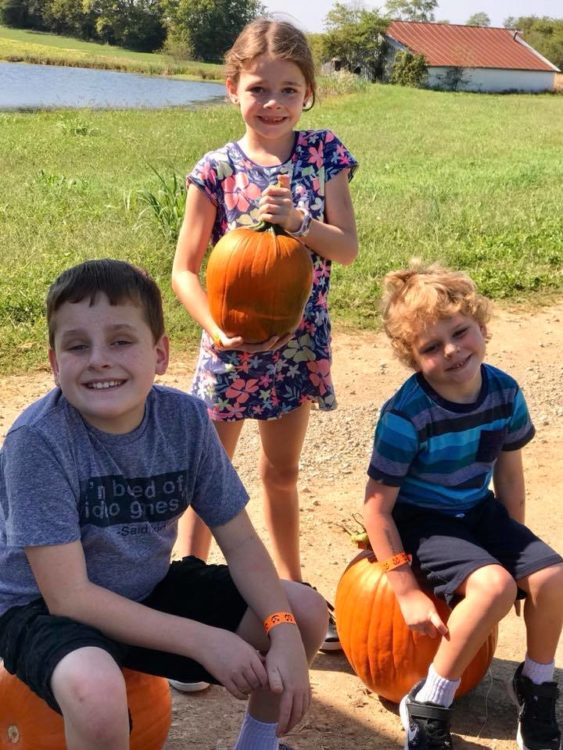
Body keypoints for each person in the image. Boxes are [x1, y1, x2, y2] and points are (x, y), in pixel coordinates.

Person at [0, 258, 329, 750]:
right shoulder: (38, 442)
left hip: (145, 588)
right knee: (95, 688)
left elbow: (239, 540)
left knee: (302, 610)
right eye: (76, 346)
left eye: (120, 341)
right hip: (44, 610)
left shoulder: (187, 420)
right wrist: (203, 639)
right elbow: (70, 596)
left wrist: (281, 631)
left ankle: (257, 744)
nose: (98, 359)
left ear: (160, 354)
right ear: (53, 364)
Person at [171, 17, 358, 659]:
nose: (272, 103)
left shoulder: (323, 153)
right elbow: (184, 269)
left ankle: (292, 593)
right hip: (227, 351)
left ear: (307, 92)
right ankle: (189, 601)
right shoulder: (216, 169)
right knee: (208, 476)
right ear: (233, 90)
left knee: (280, 474)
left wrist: (300, 221)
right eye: (258, 88)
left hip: (297, 347)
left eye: (287, 88)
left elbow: (348, 249)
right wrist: (214, 328)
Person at [363, 262, 563, 750]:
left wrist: (519, 550)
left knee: (553, 576)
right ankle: (430, 699)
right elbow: (376, 508)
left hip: (478, 510)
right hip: (422, 521)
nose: (452, 351)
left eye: (460, 332)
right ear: (413, 359)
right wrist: (405, 589)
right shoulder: (407, 414)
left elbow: (509, 477)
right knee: (492, 587)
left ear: (482, 327)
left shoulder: (505, 393)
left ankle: (536, 684)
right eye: (431, 347)